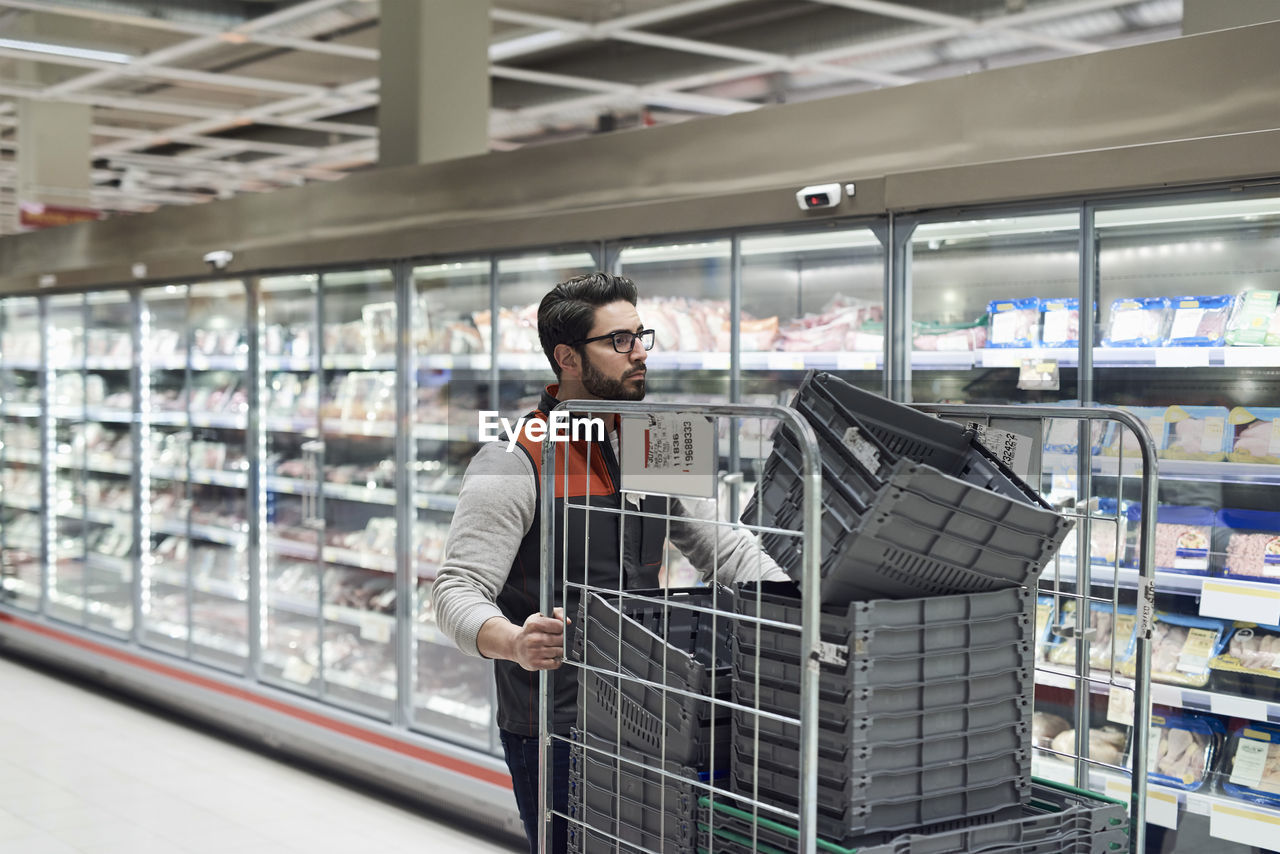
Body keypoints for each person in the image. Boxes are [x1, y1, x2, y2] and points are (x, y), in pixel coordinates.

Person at [431, 272, 787, 854]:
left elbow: (723, 548)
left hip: (653, 708)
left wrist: (796, 601)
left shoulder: (660, 437)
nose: (640, 352)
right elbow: (455, 589)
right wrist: (514, 640)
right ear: (567, 358)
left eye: (641, 335)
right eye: (619, 341)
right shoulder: (516, 456)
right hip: (557, 722)